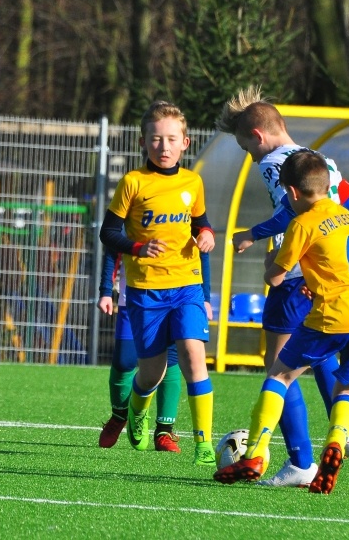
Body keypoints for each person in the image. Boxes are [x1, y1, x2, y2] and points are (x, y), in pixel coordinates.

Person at [215, 85, 349, 487]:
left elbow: (291, 215)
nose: (251, 158)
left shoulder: (277, 164)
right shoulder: (321, 162)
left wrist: (251, 234)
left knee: (280, 367)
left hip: (294, 278)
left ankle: (299, 461)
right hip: (337, 281)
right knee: (319, 353)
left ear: (257, 137)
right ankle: (346, 431)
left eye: (247, 149)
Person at [99, 100, 216, 466]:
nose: (163, 146)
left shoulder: (193, 182)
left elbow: (201, 224)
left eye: (171, 139)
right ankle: (137, 409)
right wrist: (138, 247)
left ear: (185, 143)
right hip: (146, 292)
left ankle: (204, 444)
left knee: (194, 357)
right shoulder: (133, 182)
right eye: (155, 139)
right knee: (151, 373)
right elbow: (108, 233)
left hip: (187, 286)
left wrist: (207, 234)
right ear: (143, 142)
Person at [97, 246, 213, 453]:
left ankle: (164, 431)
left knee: (172, 361)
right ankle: (120, 415)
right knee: (125, 360)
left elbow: (201, 249)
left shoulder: (189, 223)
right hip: (136, 295)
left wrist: (205, 297)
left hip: (179, 294)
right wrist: (106, 291)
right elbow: (113, 246)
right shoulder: (131, 224)